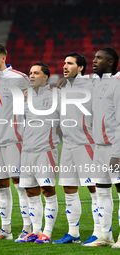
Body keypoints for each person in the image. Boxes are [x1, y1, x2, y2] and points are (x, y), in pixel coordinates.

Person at [0, 43, 31, 240]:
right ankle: (6, 230)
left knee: (20, 184)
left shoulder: (19, 79)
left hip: (15, 139)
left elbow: (35, 104)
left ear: (3, 58)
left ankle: (28, 228)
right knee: (1, 185)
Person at [52, 53, 98, 244]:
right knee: (69, 188)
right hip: (68, 145)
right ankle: (73, 233)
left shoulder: (91, 84)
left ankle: (101, 231)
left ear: (80, 68)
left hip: (87, 144)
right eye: (64, 63)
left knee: (95, 189)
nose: (64, 66)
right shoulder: (62, 88)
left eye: (70, 63)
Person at [18, 63, 59, 244]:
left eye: (36, 73)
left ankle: (47, 233)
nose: (32, 75)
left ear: (45, 77)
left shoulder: (56, 97)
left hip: (45, 151)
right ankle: (35, 231)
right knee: (30, 192)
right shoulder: (25, 98)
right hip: (27, 151)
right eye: (30, 73)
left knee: (48, 190)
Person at [84, 48, 120, 248]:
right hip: (99, 149)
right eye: (94, 57)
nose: (94, 60)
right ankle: (105, 236)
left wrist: (118, 153)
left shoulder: (117, 85)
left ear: (111, 63)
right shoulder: (97, 85)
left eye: (99, 58)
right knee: (102, 192)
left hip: (115, 149)